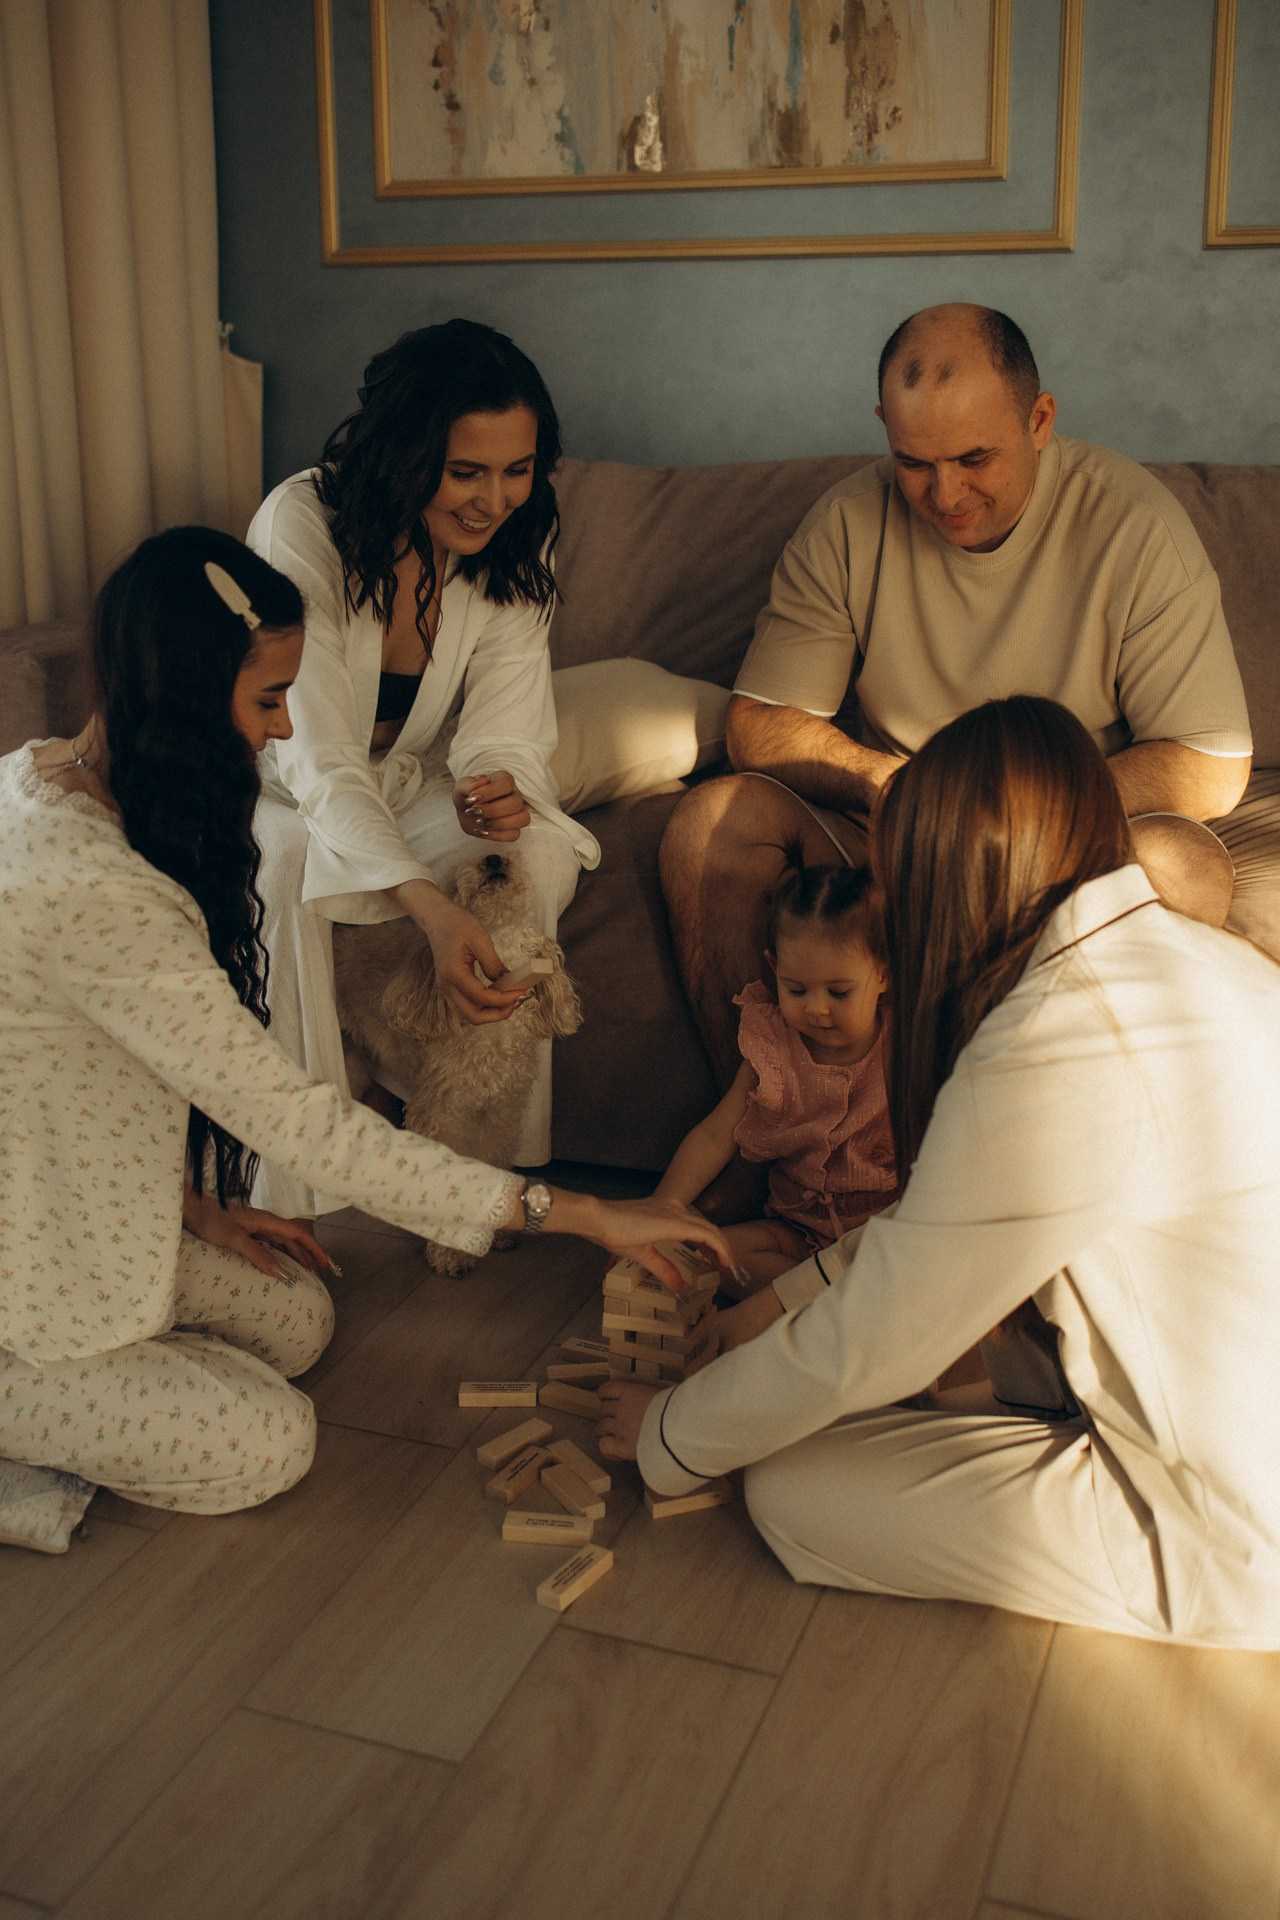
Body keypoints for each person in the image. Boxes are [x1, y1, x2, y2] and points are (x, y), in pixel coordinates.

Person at [0, 528, 727, 1521]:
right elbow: (304, 1126)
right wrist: (584, 1214)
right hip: (27, 1272)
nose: (280, 733)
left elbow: (71, 1075)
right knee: (271, 1440)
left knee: (296, 1322)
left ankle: (108, 1372)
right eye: (268, 701)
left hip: (64, 1211)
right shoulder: (97, 892)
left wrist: (194, 1207)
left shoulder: (40, 772)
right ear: (187, 694)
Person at [597, 696, 1280, 1649]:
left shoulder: (1049, 1042)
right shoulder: (1206, 960)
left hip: (1235, 1532)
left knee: (793, 1490)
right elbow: (946, 1231)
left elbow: (882, 1333)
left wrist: (670, 1432)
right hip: (1225, 1411)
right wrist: (781, 1302)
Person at [659, 303, 1257, 1086]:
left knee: (1185, 866)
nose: (946, 494)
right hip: (892, 824)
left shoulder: (1137, 525)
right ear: (884, 426)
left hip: (1057, 835)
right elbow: (759, 725)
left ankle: (1067, 1128)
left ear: (1039, 421)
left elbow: (1211, 762)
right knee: (709, 824)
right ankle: (771, 1120)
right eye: (915, 462)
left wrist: (1011, 812)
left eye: (975, 458)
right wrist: (884, 783)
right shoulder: (845, 522)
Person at [247, 318, 599, 1219]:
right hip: (279, 782)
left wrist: (494, 791)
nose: (495, 500)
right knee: (290, 867)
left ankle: (480, 1163)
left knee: (533, 854)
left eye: (518, 470)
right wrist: (430, 909)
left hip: (403, 778)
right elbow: (320, 757)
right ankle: (302, 1182)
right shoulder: (303, 524)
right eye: (466, 471)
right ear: (404, 456)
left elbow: (507, 727)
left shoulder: (521, 533)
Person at [652, 851, 896, 1290]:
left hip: (878, 1239)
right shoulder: (773, 1045)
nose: (816, 1008)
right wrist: (662, 1209)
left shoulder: (902, 1049)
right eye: (796, 989)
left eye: (839, 992)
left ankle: (831, 1300)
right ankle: (830, 1301)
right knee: (713, 1256)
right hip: (797, 1232)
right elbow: (716, 1136)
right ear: (774, 968)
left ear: (883, 974)